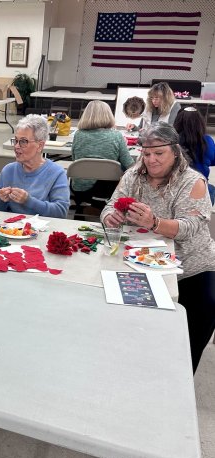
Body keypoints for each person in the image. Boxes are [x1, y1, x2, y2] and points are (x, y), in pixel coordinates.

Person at [101, 123, 215, 373]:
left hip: (191, 267)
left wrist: (155, 223)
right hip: (143, 264)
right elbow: (110, 205)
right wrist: (110, 216)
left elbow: (191, 226)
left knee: (197, 321)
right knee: (133, 326)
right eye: (146, 153)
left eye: (158, 153)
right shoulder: (133, 175)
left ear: (175, 151)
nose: (151, 160)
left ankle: (182, 377)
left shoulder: (193, 181)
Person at [0, 114, 69, 218]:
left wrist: (29, 201)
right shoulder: (9, 170)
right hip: (11, 230)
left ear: (40, 146)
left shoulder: (57, 173)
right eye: (16, 141)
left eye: (23, 141)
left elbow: (61, 212)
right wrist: (1, 201)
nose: (17, 146)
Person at [71, 100, 135, 208]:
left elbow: (75, 159)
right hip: (108, 190)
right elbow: (130, 166)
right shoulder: (117, 136)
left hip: (80, 189)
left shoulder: (78, 135)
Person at [173, 107, 215, 204]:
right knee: (211, 189)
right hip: (199, 187)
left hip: (174, 188)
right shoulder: (207, 141)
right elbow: (212, 160)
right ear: (200, 123)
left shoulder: (171, 141)